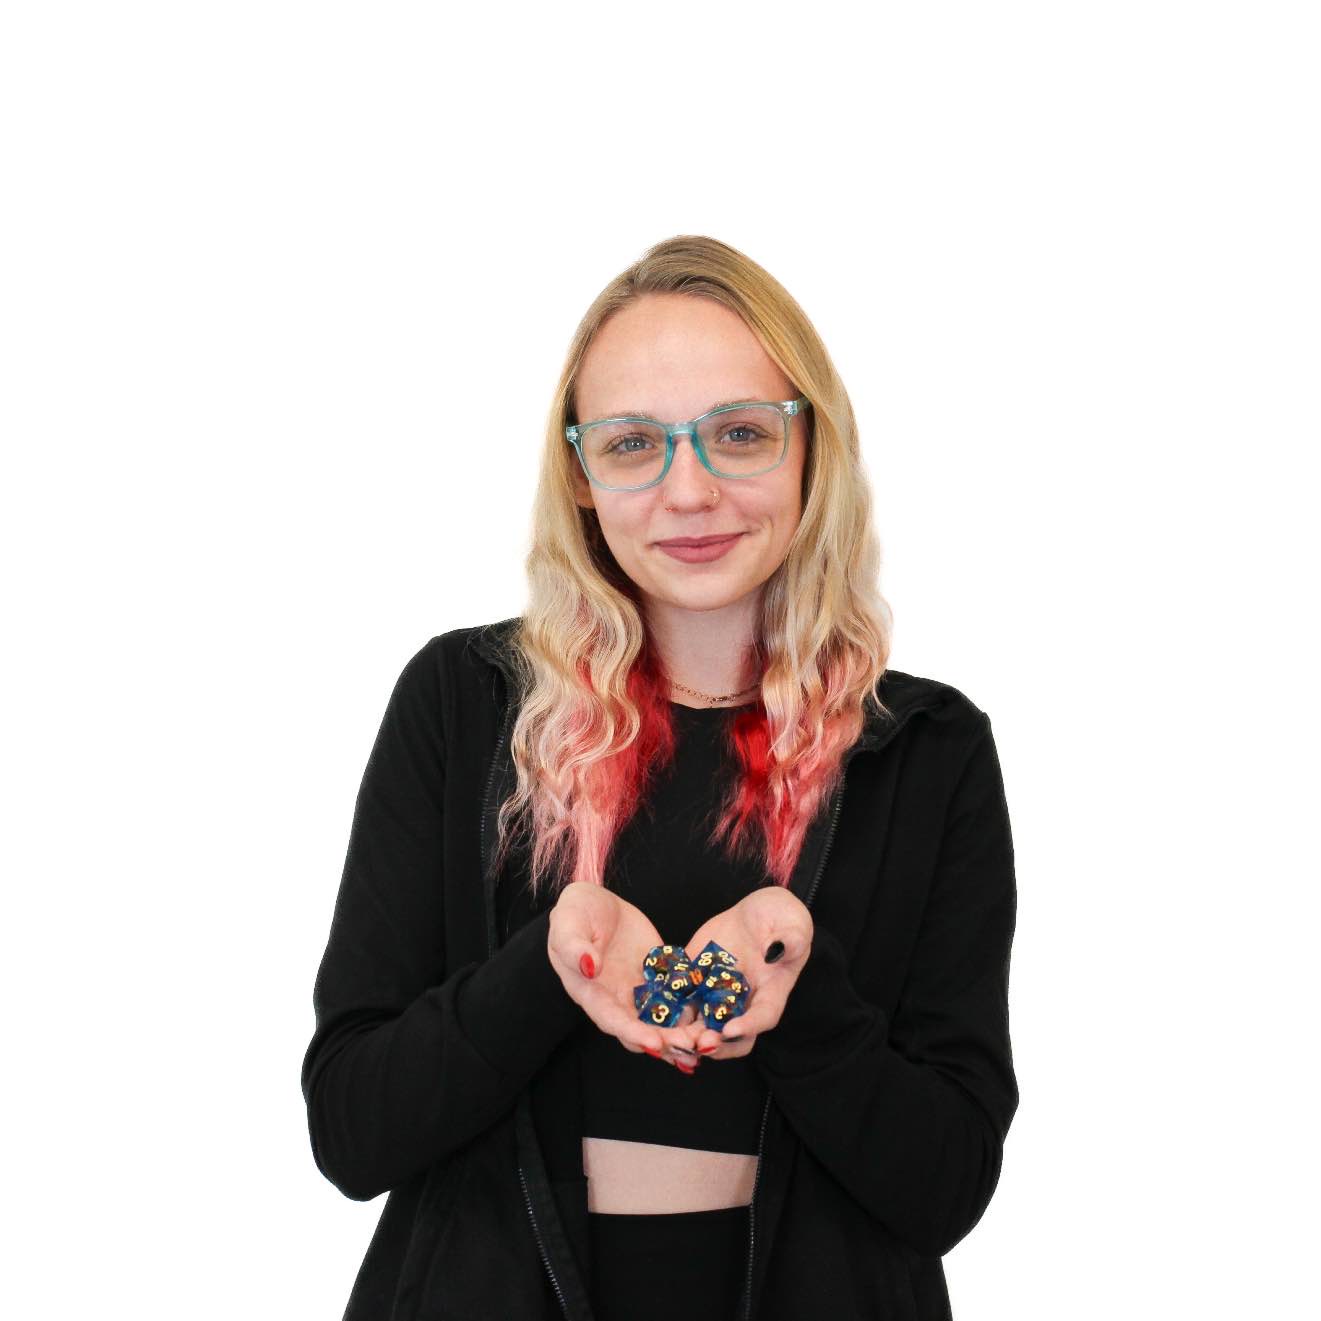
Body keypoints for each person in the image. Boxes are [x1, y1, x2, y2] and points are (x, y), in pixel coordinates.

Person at [300, 234, 1019, 1320]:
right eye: (634, 443)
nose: (690, 491)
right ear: (581, 477)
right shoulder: (463, 701)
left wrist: (800, 997)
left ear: (810, 450)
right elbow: (352, 1130)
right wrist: (547, 969)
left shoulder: (922, 748)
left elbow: (946, 1184)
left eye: (739, 434)